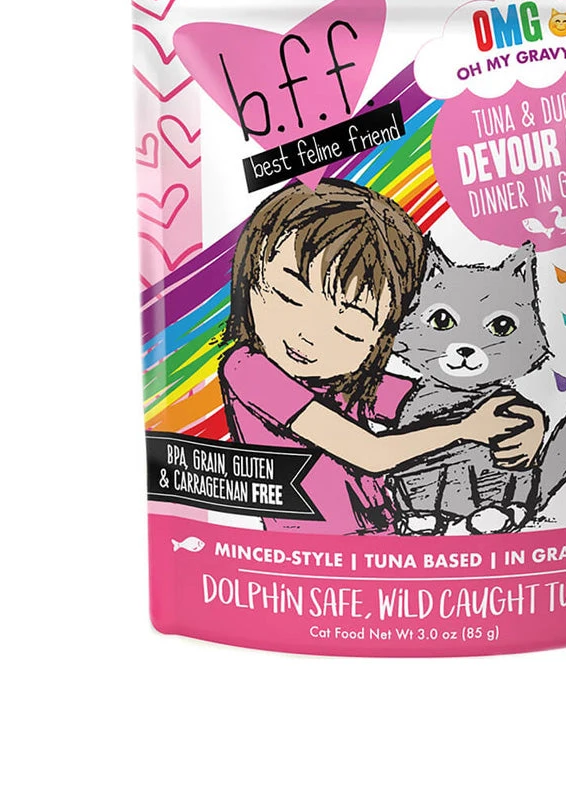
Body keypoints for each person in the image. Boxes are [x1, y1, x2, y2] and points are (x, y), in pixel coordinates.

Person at [220, 179, 544, 534]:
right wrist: (467, 429)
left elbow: (438, 401)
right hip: (317, 544)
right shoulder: (248, 369)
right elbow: (369, 454)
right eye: (288, 297)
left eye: (348, 330)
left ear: (382, 338)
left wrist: (523, 420)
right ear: (249, 278)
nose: (306, 336)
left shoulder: (348, 378)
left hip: (389, 529)